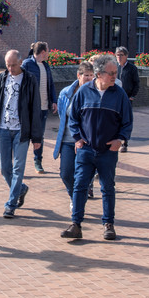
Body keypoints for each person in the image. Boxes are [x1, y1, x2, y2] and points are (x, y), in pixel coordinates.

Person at [62, 54, 133, 241]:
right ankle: (75, 224)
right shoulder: (83, 92)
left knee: (107, 187)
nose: (114, 77)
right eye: (111, 73)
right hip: (86, 150)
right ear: (98, 74)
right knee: (79, 186)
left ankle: (108, 225)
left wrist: (120, 140)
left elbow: (127, 122)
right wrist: (77, 139)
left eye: (116, 73)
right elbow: (74, 118)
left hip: (107, 152)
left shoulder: (120, 95)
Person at [0, 50, 44, 219]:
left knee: (18, 168)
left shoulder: (30, 79)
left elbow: (35, 108)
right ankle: (21, 189)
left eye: (13, 65)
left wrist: (37, 137)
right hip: (3, 129)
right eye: (7, 65)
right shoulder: (2, 78)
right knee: (5, 169)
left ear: (20, 63)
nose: (10, 68)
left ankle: (11, 204)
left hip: (21, 131)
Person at [53, 60, 95, 210]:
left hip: (86, 142)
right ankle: (74, 197)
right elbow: (62, 114)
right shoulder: (66, 92)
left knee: (83, 176)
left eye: (92, 75)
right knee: (65, 173)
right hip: (67, 140)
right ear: (78, 75)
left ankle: (78, 203)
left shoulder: (95, 94)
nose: (89, 78)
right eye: (86, 75)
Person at [22, 42, 56, 173]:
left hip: (43, 108)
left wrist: (54, 100)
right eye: (47, 51)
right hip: (30, 108)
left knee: (39, 135)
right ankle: (20, 163)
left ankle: (38, 161)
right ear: (42, 52)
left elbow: (51, 84)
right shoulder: (27, 64)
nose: (48, 53)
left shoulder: (46, 66)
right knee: (25, 135)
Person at [113, 47, 140, 152]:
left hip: (127, 98)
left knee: (126, 119)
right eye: (117, 55)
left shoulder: (132, 68)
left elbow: (136, 83)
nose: (119, 57)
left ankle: (124, 142)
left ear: (126, 56)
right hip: (115, 99)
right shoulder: (114, 67)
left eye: (121, 55)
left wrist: (132, 96)